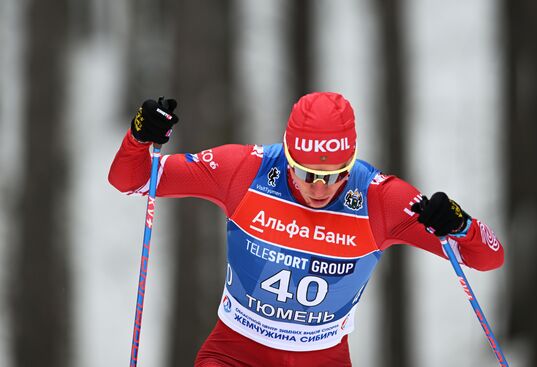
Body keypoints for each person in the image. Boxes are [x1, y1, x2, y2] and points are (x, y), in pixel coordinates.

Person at [109, 92, 504, 366]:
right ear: (287, 153)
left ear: (350, 164)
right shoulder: (245, 170)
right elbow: (131, 180)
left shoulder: (380, 198)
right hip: (234, 354)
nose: (319, 187)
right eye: (306, 173)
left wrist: (460, 224)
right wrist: (139, 138)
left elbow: (488, 257)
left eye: (334, 176)